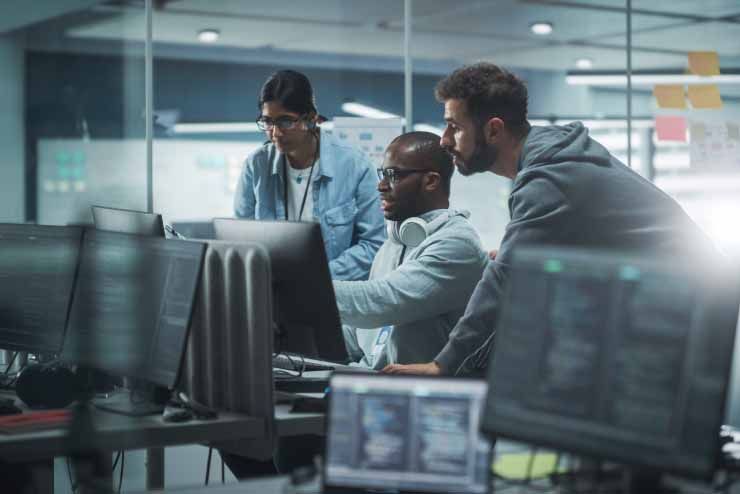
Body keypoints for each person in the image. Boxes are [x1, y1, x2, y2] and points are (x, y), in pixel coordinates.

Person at [383, 62, 714, 377]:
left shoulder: (548, 177)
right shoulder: (552, 156)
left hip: (694, 318)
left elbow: (504, 282)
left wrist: (445, 363)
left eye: (454, 127)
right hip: (680, 306)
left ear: (493, 130)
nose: (444, 140)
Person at [335, 131, 487, 369]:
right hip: (370, 379)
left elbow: (383, 301)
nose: (381, 186)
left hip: (424, 395)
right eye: (382, 174)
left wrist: (310, 293)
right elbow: (358, 337)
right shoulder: (394, 244)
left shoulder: (457, 244)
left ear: (431, 181)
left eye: (393, 175)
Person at [233, 70, 385, 280]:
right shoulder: (256, 166)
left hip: (334, 296)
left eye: (285, 122)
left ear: (311, 119)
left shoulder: (355, 166)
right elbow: (241, 240)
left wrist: (317, 277)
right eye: (268, 122)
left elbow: (373, 245)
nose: (275, 133)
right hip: (273, 293)